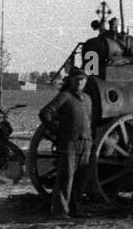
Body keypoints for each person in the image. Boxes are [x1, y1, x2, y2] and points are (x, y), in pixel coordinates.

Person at [39, 68, 93, 219]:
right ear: (71, 80)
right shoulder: (65, 96)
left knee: (81, 178)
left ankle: (76, 209)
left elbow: (90, 118)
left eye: (82, 79)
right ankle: (60, 211)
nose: (80, 82)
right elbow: (45, 113)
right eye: (77, 79)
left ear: (86, 81)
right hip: (69, 142)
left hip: (85, 142)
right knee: (66, 177)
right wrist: (56, 129)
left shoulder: (87, 99)